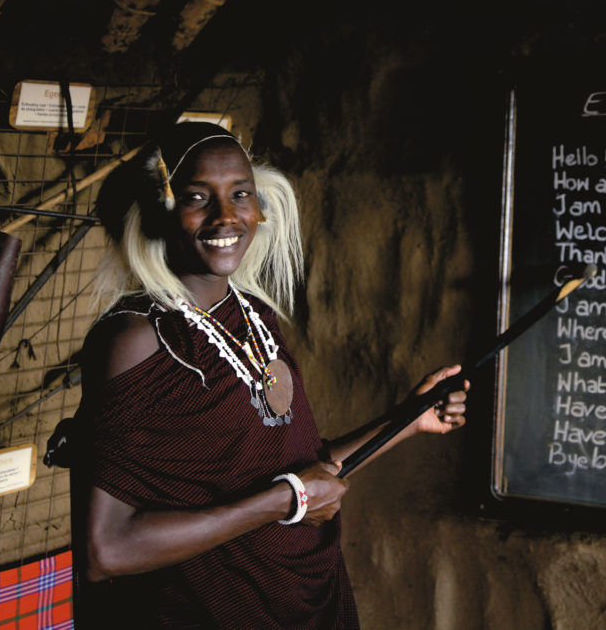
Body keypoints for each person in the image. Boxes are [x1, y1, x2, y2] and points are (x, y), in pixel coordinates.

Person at [70, 121, 468, 628]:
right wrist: (288, 500)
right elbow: (108, 549)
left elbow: (302, 470)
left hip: (304, 605)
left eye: (241, 194)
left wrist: (406, 421)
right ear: (160, 209)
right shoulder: (135, 339)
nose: (226, 217)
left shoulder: (255, 317)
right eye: (198, 197)